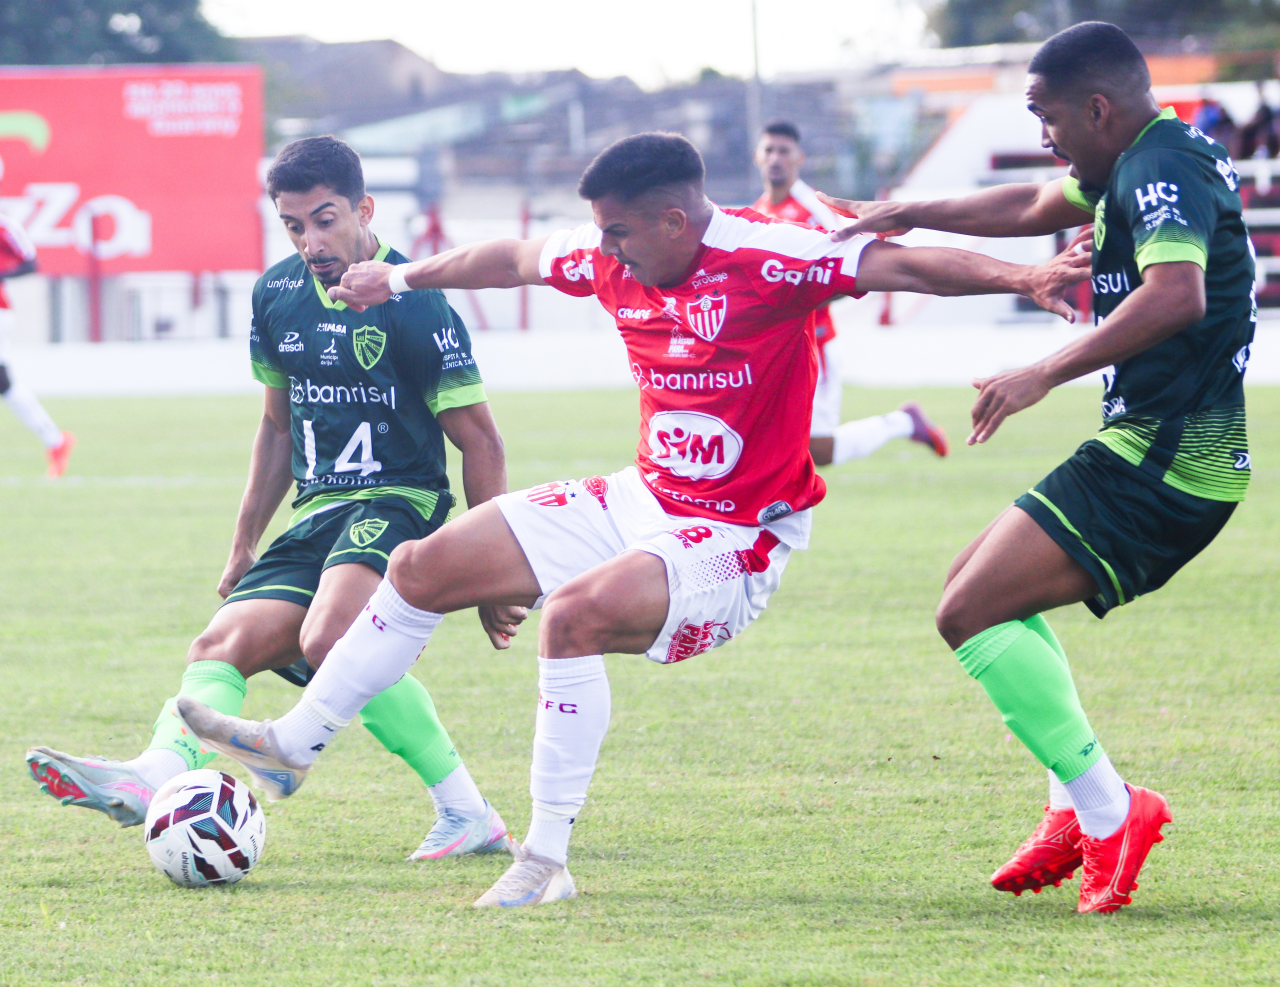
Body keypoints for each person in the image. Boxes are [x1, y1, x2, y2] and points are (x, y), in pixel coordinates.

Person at [176, 131, 1088, 909]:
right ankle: (298, 739)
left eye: (618, 229)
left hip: (739, 537)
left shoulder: (771, 257)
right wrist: (401, 276)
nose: (602, 247)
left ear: (675, 222)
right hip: (643, 498)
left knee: (571, 616)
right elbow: (510, 259)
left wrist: (1027, 272)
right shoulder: (611, 253)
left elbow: (905, 263)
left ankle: (544, 857)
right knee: (418, 564)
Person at [824, 22, 1255, 914]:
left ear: (1097, 108)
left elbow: (1177, 294)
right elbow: (1027, 205)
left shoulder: (1156, 168)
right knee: (978, 592)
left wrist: (1040, 372)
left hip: (1168, 458)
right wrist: (911, 209)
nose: (1045, 134)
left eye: (1046, 115)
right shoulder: (1140, 154)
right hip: (1153, 446)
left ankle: (1108, 809)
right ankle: (1074, 801)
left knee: (968, 611)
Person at [27, 136, 522, 861]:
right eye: (293, 224)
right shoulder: (277, 295)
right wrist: (243, 539)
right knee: (219, 644)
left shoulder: (414, 303)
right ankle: (154, 775)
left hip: (398, 499)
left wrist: (490, 567)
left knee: (331, 637)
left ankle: (335, 766)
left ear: (364, 208)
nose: (311, 240)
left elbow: (480, 440)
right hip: (317, 510)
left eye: (324, 219)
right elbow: (276, 425)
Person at [752, 120, 947, 465]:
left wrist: (793, 300)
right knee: (767, 441)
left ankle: (903, 422)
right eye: (769, 150)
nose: (775, 158)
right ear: (758, 157)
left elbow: (849, 273)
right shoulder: (758, 211)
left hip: (814, 343)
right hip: (775, 348)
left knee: (819, 451)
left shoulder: (812, 211)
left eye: (784, 151)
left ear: (799, 158)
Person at [0, 211, 74, 477]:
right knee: (4, 384)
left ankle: (55, 441)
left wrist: (1, 274)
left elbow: (31, 262)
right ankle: (55, 441)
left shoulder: (5, 225)